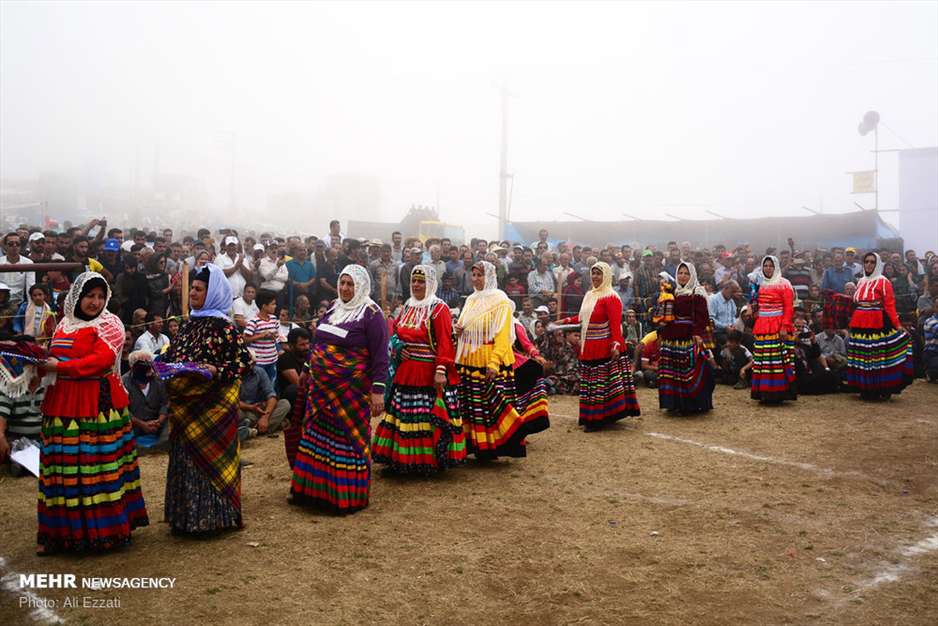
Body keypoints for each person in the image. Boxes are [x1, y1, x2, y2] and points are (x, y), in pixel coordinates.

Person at [36, 272, 149, 554]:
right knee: (63, 469)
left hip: (97, 406)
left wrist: (56, 367)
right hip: (62, 404)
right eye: (89, 296)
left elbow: (100, 362)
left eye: (100, 296)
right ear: (77, 296)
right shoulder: (64, 324)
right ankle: (62, 533)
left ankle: (106, 531)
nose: (95, 302)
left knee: (96, 467)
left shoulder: (110, 325)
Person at [290, 265, 388, 513]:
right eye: (342, 283)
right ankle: (311, 491)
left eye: (350, 284)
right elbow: (317, 342)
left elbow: (380, 356)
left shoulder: (372, 314)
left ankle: (344, 496)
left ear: (361, 286)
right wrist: (306, 368)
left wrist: (378, 390)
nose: (345, 288)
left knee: (347, 438)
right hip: (320, 390)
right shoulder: (334, 308)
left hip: (350, 392)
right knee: (317, 437)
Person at [163, 263, 251, 534]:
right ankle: (186, 519)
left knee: (212, 463)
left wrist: (216, 370)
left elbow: (244, 363)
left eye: (199, 289)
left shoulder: (225, 328)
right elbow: (172, 357)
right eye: (192, 288)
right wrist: (154, 362)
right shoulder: (189, 324)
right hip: (184, 408)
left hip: (213, 408)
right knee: (186, 462)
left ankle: (215, 520)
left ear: (212, 292)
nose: (193, 293)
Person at [372, 265, 466, 474]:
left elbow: (445, 341)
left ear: (431, 283)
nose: (416, 285)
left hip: (428, 373)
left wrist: (441, 370)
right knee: (406, 416)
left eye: (421, 281)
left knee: (424, 417)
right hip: (407, 371)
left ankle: (427, 461)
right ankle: (404, 459)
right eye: (414, 280)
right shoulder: (408, 306)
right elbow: (395, 332)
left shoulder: (438, 308)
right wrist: (398, 346)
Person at [454, 261, 531, 457]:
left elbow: (503, 335)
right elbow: (465, 324)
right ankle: (478, 446)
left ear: (490, 277)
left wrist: (494, 362)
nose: (476, 279)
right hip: (469, 361)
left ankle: (495, 447)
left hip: (488, 361)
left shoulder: (500, 300)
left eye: (480, 275)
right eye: (474, 275)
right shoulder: (471, 299)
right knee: (473, 407)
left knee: (491, 408)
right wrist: (459, 329)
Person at [555, 262, 640, 430]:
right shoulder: (589, 295)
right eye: (593, 273)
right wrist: (563, 322)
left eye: (598, 274)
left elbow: (615, 326)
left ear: (606, 276)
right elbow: (581, 319)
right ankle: (592, 417)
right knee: (591, 384)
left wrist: (615, 345)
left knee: (601, 384)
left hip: (604, 346)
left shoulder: (611, 297)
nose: (595, 277)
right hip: (589, 346)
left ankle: (598, 419)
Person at [845, 252, 914, 400]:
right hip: (859, 321)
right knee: (861, 355)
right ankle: (863, 387)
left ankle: (877, 388)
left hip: (876, 321)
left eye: (872, 262)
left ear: (877, 264)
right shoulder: (861, 281)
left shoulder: (883, 281)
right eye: (866, 261)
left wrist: (897, 325)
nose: (869, 264)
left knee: (874, 356)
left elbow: (890, 305)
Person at [655, 261, 715, 414]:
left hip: (688, 337)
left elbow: (702, 317)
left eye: (686, 273)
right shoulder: (673, 292)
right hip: (671, 337)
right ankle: (674, 403)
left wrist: (697, 333)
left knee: (689, 370)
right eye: (680, 273)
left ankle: (690, 405)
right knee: (672, 371)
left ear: (692, 275)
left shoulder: (698, 292)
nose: (682, 276)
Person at [750, 255, 797, 404]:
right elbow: (755, 302)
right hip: (763, 324)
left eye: (771, 265)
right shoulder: (759, 283)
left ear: (775, 266)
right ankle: (763, 392)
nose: (768, 268)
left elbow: (789, 308)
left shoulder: (784, 283)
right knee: (763, 361)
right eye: (765, 265)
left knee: (776, 360)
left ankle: (778, 393)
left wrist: (784, 326)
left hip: (777, 325)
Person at [122, 350, 170, 449]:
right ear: (133, 367)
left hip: (157, 424)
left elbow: (164, 403)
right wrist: (142, 424)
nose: (150, 370)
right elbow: (123, 409)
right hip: (134, 424)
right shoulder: (123, 382)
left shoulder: (158, 380)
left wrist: (159, 421)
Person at [238, 361, 291, 440]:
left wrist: (265, 417)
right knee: (233, 411)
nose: (252, 366)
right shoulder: (232, 374)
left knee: (285, 404)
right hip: (245, 410)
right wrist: (251, 407)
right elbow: (233, 401)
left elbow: (272, 395)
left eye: (253, 363)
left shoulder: (259, 372)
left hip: (261, 410)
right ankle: (268, 427)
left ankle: (252, 430)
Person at [243, 290, 280, 383]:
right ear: (264, 306)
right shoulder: (253, 322)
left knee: (271, 384)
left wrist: (274, 336)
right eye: (273, 304)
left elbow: (276, 336)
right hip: (259, 362)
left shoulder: (274, 319)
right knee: (258, 386)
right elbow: (244, 339)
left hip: (272, 359)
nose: (275, 306)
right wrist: (261, 336)